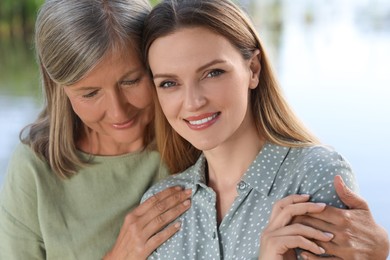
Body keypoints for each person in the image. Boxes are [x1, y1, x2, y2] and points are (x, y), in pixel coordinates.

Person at [141, 0, 389, 259]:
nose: (193, 102)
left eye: (213, 73)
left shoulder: (314, 175)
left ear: (253, 69)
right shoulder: (160, 207)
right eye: (169, 83)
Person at [0, 0, 192, 259]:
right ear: (58, 85)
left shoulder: (195, 134)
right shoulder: (34, 168)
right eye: (90, 94)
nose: (118, 111)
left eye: (131, 81)